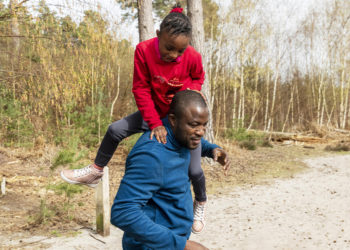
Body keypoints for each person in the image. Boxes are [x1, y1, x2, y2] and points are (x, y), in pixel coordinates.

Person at [61, 4, 209, 233]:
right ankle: (96, 170)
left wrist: (187, 97)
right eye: (169, 49)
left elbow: (198, 78)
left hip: (179, 119)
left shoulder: (192, 56)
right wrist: (155, 123)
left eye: (180, 51)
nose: (174, 56)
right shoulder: (143, 50)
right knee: (114, 130)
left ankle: (200, 202)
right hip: (154, 111)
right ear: (158, 35)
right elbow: (140, 89)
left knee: (195, 171)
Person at [111, 90, 230, 250]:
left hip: (174, 242)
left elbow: (194, 140)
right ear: (173, 120)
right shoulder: (152, 155)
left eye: (204, 125)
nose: (201, 132)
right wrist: (182, 245)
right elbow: (123, 212)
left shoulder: (181, 135)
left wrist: (213, 149)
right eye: (194, 125)